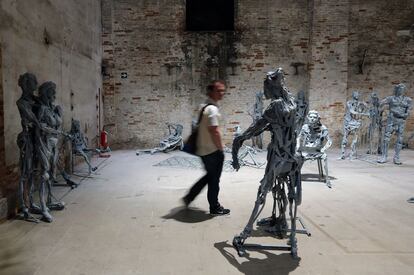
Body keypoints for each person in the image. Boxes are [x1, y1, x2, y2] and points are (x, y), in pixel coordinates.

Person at [182, 80, 230, 215]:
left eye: (223, 90)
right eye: (219, 90)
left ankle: (189, 197)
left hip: (203, 150)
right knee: (214, 180)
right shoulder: (213, 109)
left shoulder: (204, 107)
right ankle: (214, 207)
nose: (222, 93)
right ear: (211, 92)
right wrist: (221, 148)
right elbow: (214, 130)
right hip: (212, 151)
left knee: (209, 177)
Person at [378, 83, 412, 164]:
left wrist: (402, 114)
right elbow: (381, 103)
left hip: (401, 121)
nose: (401, 91)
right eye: (400, 89)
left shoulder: (408, 100)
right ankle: (384, 156)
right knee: (386, 139)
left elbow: (408, 111)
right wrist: (378, 103)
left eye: (403, 89)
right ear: (396, 90)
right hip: (391, 120)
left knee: (400, 140)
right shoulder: (391, 98)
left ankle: (397, 157)